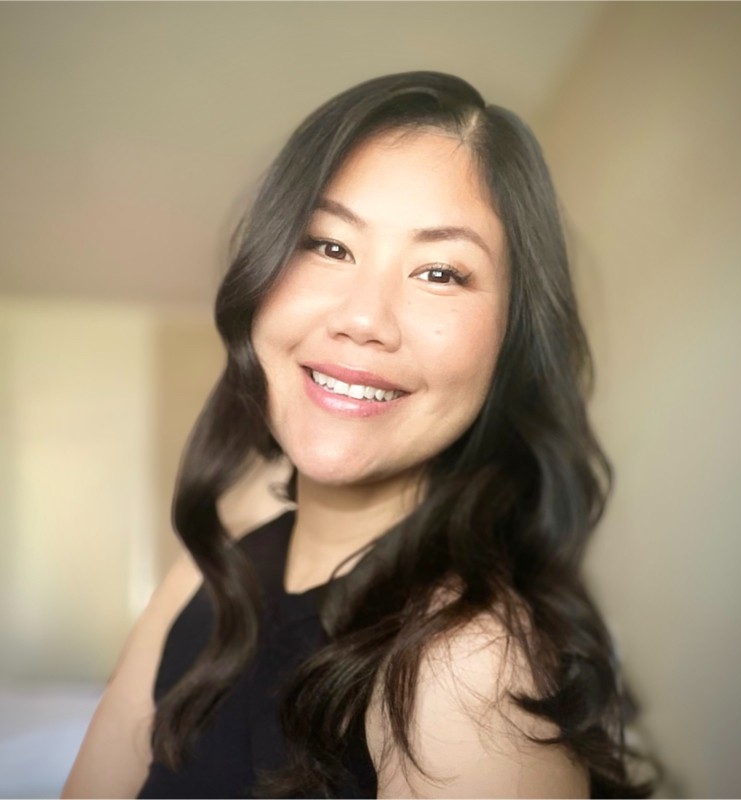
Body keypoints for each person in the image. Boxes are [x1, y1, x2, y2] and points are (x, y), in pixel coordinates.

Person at [63, 71, 650, 799]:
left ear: (509, 343)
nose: (364, 317)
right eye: (329, 246)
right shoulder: (204, 584)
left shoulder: (467, 667)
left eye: (439, 271)